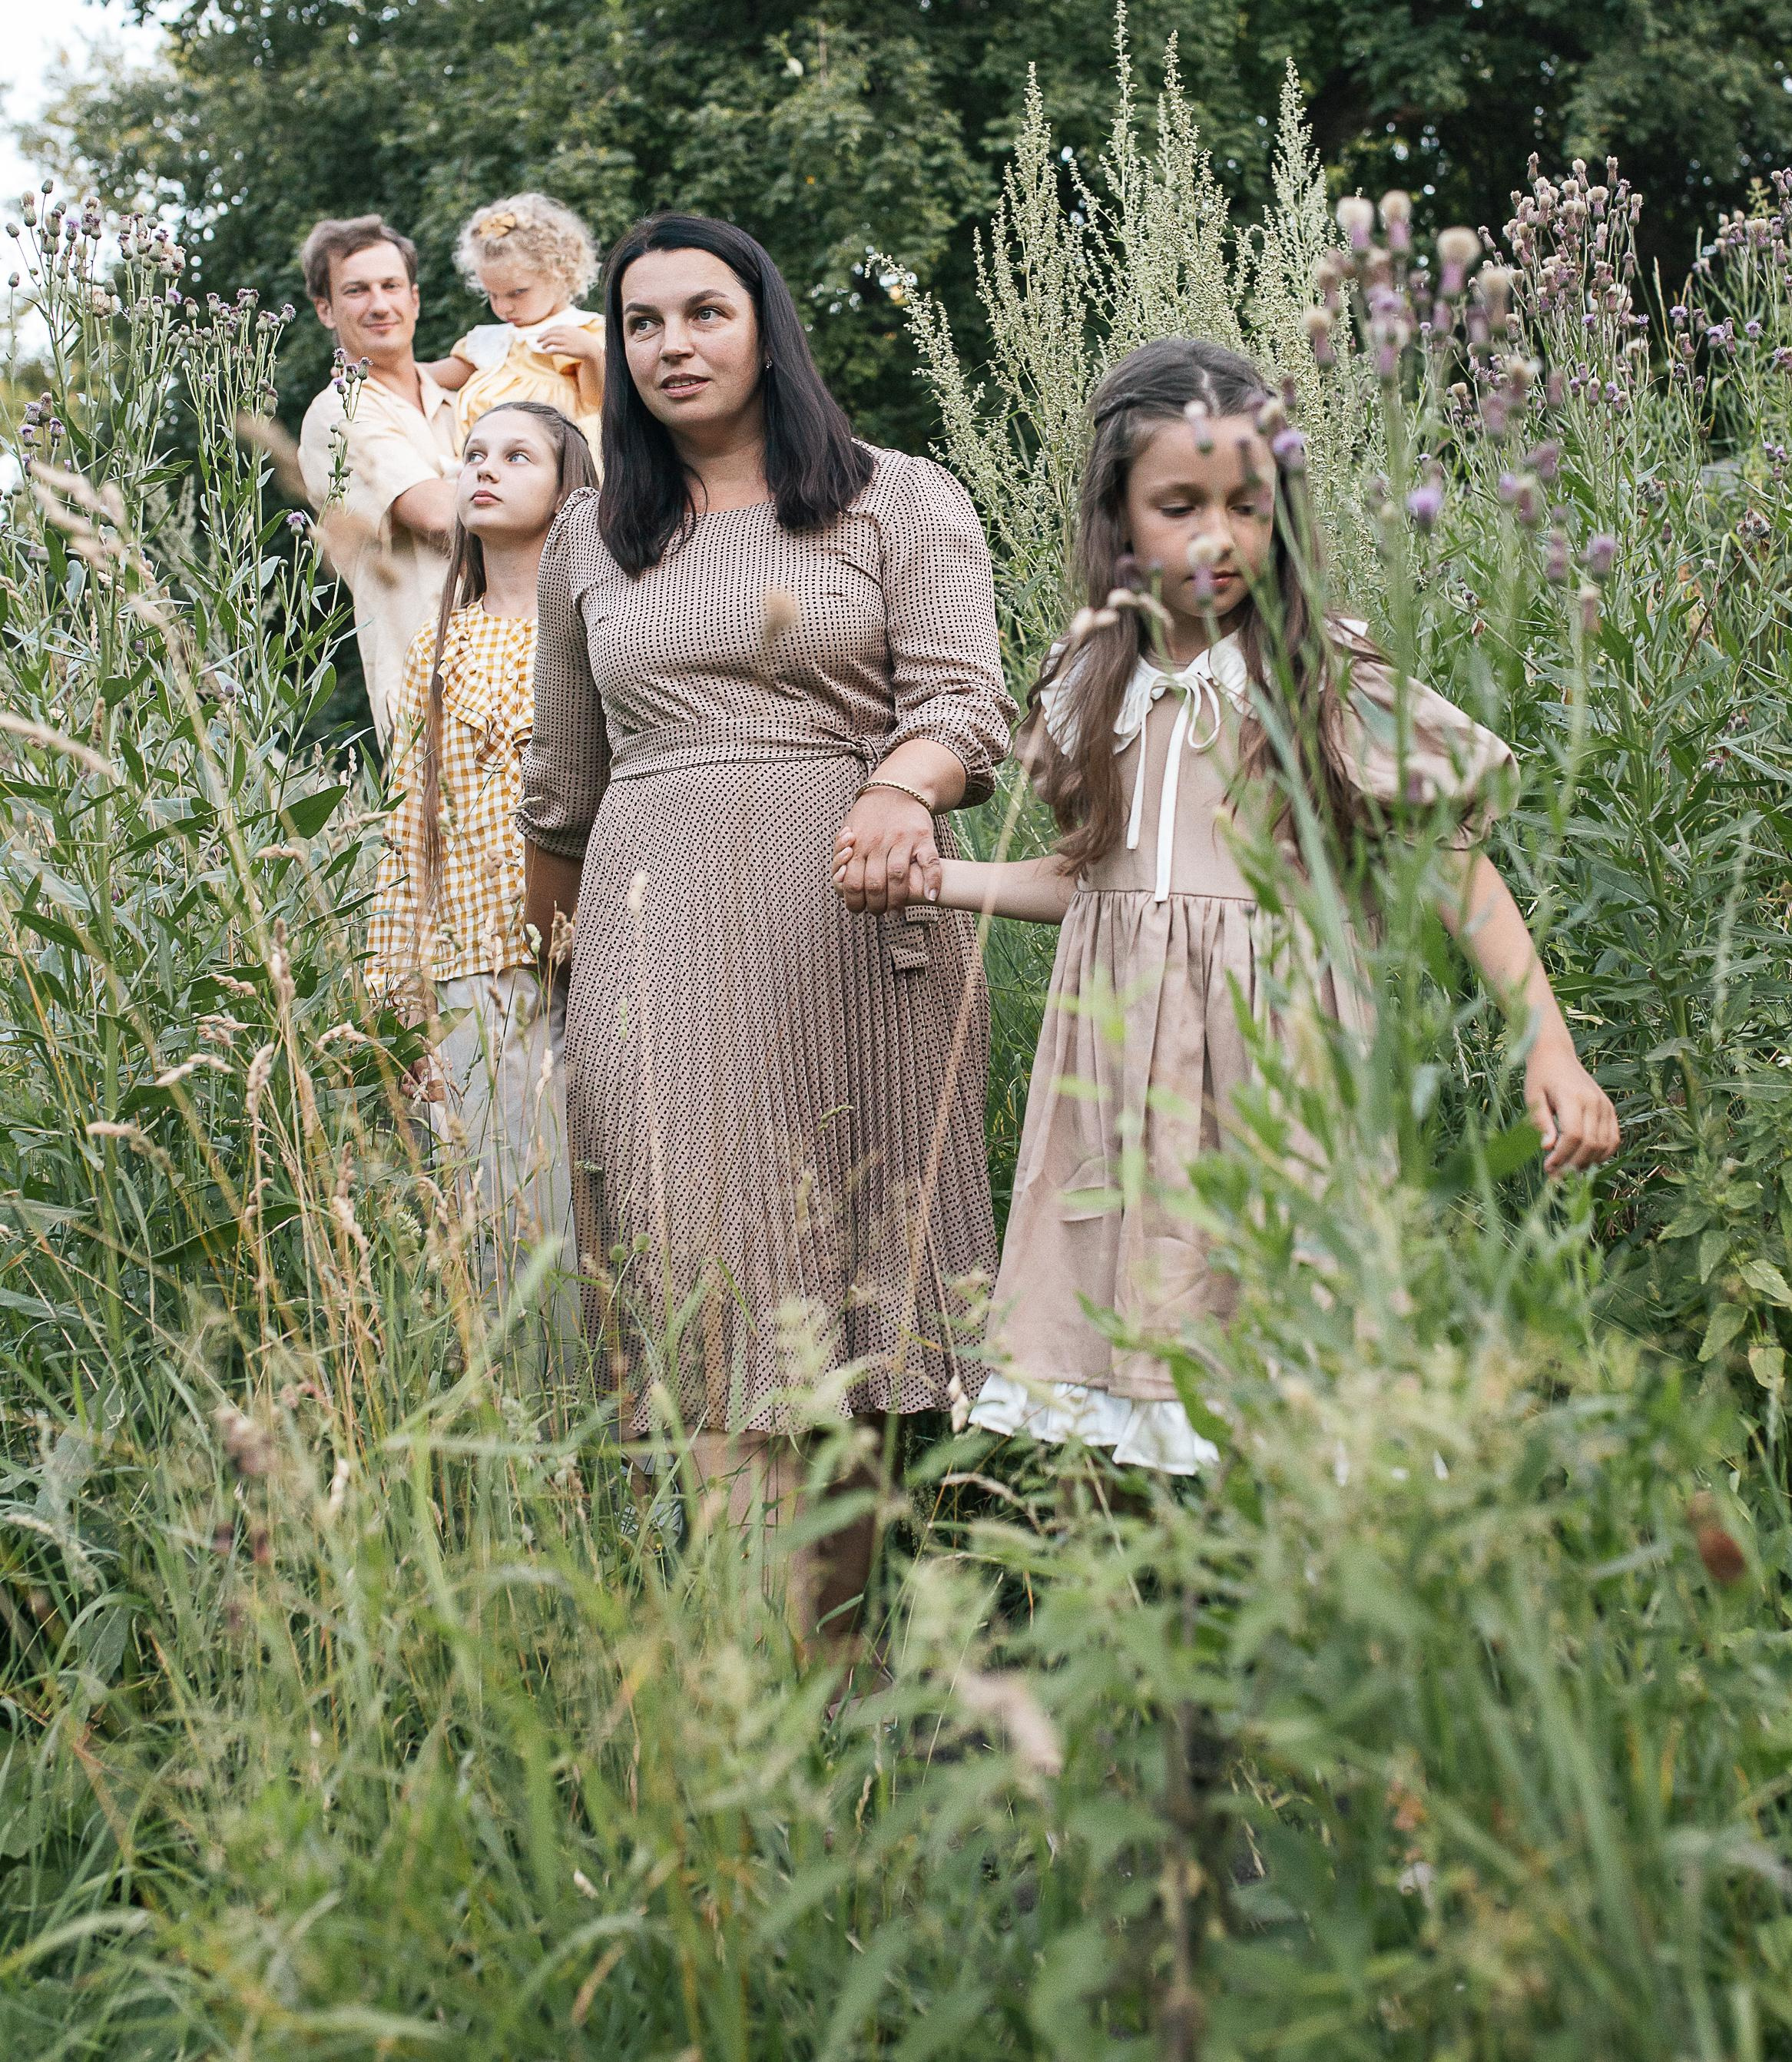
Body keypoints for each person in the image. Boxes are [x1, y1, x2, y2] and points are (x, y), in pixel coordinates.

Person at [860, 338, 1619, 1477]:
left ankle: (1317, 1563)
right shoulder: (1088, 683)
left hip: (1279, 1069)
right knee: (1118, 1379)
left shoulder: (1324, 677)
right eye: (1178, 507)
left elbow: (1456, 869)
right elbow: (1091, 884)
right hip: (1118, 1077)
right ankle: (1156, 1566)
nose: (1216, 536)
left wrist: (1546, 1045)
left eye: (1246, 507)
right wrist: (940, 880)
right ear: (1117, 519)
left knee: (1295, 1379)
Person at [518, 211, 1015, 1651]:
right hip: (652, 942)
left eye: (703, 314)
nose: (670, 345)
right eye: (642, 322)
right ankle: (757, 1696)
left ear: (764, 328)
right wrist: (549, 1008)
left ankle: (838, 1691)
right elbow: (560, 792)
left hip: (855, 932)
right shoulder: (588, 540)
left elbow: (963, 704)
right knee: (712, 1300)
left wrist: (899, 788)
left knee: (855, 1329)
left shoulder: (893, 499)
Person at [366, 402, 598, 1354]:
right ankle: (546, 1432)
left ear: (569, 484)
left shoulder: (604, 624)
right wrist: (402, 1000)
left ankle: (660, 1436)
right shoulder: (439, 646)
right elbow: (408, 833)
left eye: (516, 454)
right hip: (479, 974)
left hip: (608, 961)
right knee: (514, 1229)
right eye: (471, 454)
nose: (484, 469)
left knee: (624, 1217)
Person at [296, 215, 459, 744]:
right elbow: (438, 514)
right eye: (356, 290)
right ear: (325, 309)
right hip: (434, 696)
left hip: (535, 669)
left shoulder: (470, 396)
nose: (379, 304)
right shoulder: (338, 414)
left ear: (415, 299)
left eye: (391, 286)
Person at [426, 193, 605, 460]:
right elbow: (432, 375)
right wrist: (379, 369)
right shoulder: (494, 340)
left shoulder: (581, 329)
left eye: (517, 293)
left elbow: (596, 403)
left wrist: (591, 355)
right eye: (493, 295)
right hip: (480, 460)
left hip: (548, 458)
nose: (503, 307)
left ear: (559, 272)